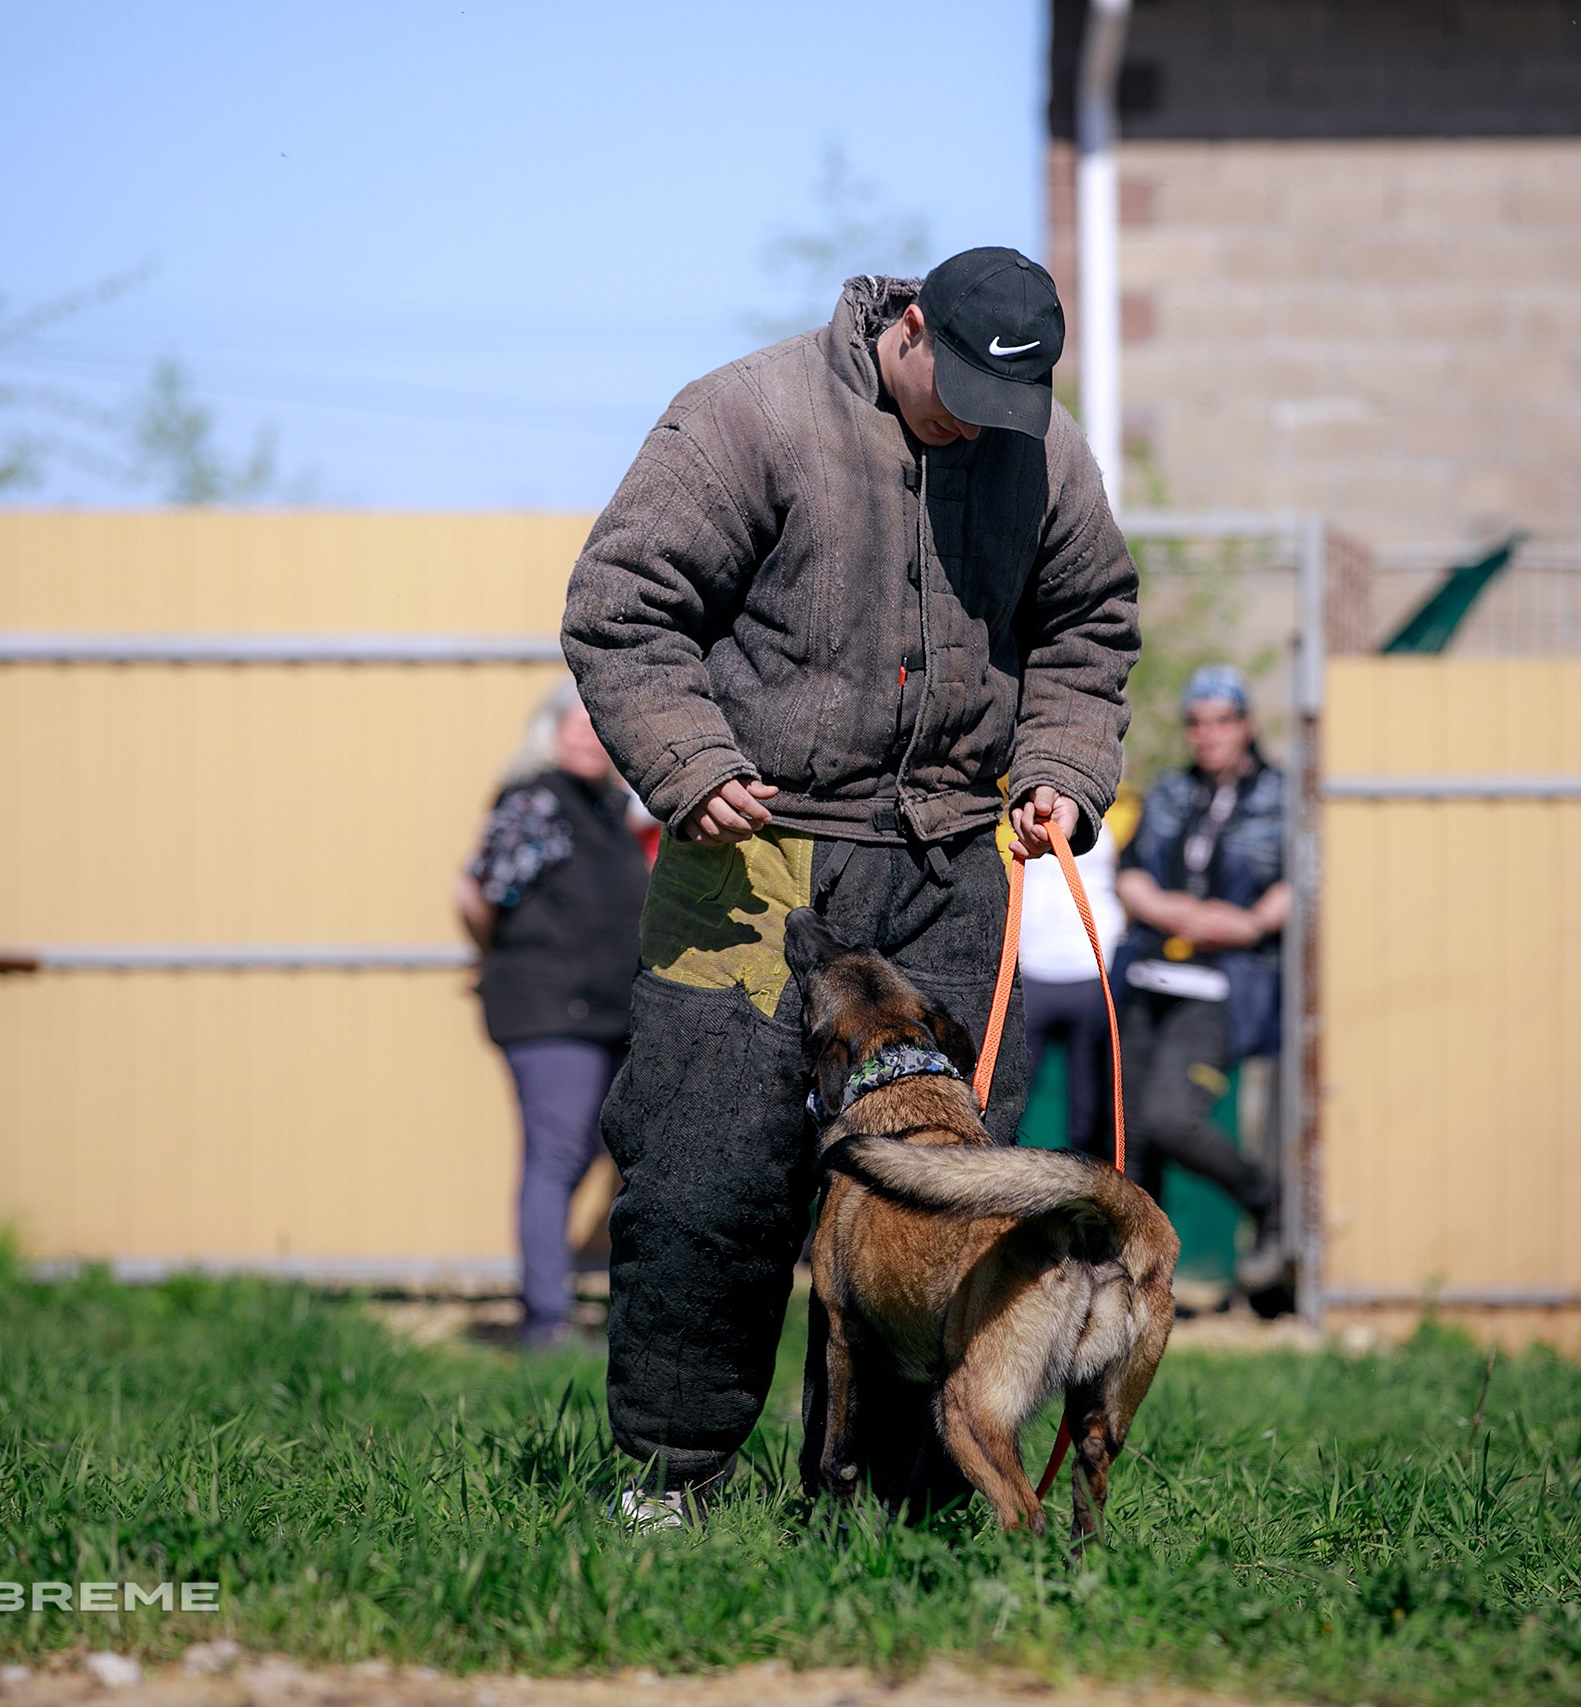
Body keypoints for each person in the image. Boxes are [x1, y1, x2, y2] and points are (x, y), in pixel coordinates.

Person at [562, 247, 1139, 1520]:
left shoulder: (1049, 456)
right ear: (912, 328)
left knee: (944, 1201)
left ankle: (898, 1509)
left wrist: (1058, 768)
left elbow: (1088, 628)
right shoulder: (747, 416)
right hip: (756, 847)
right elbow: (622, 604)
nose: (979, 432)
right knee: (707, 1176)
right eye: (961, 402)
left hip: (952, 867)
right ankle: (672, 1485)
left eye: (1011, 414)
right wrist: (688, 759)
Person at [455, 680, 650, 1352]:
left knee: (600, 1145)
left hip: (601, 1010)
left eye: (601, 728)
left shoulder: (604, 807)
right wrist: (492, 952)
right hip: (548, 1008)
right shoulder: (537, 798)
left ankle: (558, 1310)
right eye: (577, 726)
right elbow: (479, 889)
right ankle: (545, 1322)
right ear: (550, 732)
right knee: (558, 1152)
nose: (590, 738)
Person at [1111, 664, 1287, 1281]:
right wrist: (1174, 910)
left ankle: (1268, 1202)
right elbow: (1129, 874)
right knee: (1130, 1140)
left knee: (1171, 1118)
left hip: (1221, 986)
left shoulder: (1283, 797)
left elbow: (1292, 887)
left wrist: (1240, 924)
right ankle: (1139, 1278)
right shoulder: (1168, 793)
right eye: (1196, 721)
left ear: (1246, 724)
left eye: (1222, 720)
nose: (1208, 734)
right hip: (1146, 979)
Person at [1017, 792, 1132, 1160]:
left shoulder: (1126, 810)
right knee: (1011, 1099)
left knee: (1089, 1112)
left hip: (1092, 975)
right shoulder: (1013, 808)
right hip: (1031, 973)